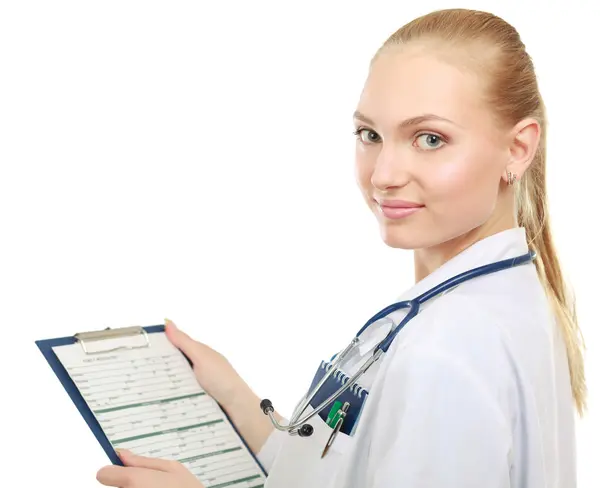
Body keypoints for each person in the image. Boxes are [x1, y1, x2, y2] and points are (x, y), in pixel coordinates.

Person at [96, 7, 586, 488]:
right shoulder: (506, 298)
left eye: (430, 138)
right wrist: (235, 398)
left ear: (518, 149)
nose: (384, 175)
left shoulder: (444, 350)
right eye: (370, 134)